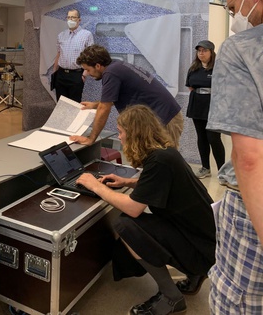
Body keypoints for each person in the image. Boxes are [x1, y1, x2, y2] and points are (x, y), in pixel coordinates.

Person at [77, 104, 216, 315]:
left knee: (125, 224)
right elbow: (158, 182)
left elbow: (133, 209)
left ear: (135, 134)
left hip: (200, 249)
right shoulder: (166, 154)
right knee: (135, 222)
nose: (120, 137)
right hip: (203, 240)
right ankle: (194, 274)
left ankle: (171, 298)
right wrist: (127, 182)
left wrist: (95, 186)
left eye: (121, 132)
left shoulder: (159, 161)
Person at [207, 0, 263, 314]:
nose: (233, 17)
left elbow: (250, 157)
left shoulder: (241, 48)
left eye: (231, 7)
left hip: (254, 210)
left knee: (239, 303)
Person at [70, 44, 183, 147]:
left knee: (162, 158)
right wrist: (95, 105)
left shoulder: (111, 73)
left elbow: (104, 108)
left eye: (88, 70)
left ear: (98, 66)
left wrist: (91, 139)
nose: (87, 74)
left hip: (165, 117)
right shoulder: (116, 66)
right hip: (164, 114)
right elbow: (113, 98)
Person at [185, 40, 225, 178]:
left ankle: (222, 171)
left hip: (213, 107)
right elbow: (191, 86)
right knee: (201, 137)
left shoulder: (218, 67)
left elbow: (223, 88)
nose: (201, 53)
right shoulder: (193, 68)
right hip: (197, 106)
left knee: (214, 138)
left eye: (204, 50)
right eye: (199, 51)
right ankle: (205, 168)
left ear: (211, 52)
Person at [52, 8, 93, 102]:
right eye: (69, 17)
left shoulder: (86, 35)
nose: (70, 19)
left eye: (73, 17)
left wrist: (84, 75)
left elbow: (90, 56)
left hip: (76, 74)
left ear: (79, 19)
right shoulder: (61, 35)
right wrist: (54, 72)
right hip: (61, 74)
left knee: (74, 104)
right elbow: (59, 54)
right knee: (61, 104)